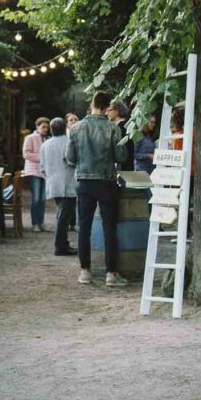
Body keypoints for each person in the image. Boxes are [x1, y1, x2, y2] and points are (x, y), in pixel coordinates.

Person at [66, 90, 128, 287]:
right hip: (107, 182)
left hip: (84, 181)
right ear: (107, 106)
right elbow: (121, 157)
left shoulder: (76, 128)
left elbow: (70, 158)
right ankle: (111, 273)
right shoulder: (113, 129)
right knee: (109, 227)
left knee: (83, 227)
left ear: (92, 104)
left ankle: (85, 271)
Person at [39, 117, 77, 256]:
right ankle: (60, 246)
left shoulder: (45, 145)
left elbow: (42, 167)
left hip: (53, 183)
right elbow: (73, 161)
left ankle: (63, 244)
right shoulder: (69, 143)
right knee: (64, 216)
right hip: (67, 183)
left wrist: (50, 177)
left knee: (62, 215)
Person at [22, 117, 50, 232]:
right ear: (37, 127)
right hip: (33, 171)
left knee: (43, 199)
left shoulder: (48, 139)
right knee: (36, 198)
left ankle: (41, 221)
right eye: (43, 127)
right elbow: (26, 154)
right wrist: (41, 158)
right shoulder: (30, 138)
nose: (45, 129)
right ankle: (35, 223)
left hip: (44, 172)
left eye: (47, 127)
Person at [106, 98, 135, 171]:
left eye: (109, 110)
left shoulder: (120, 128)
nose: (106, 113)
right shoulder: (126, 125)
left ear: (117, 111)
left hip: (122, 168)